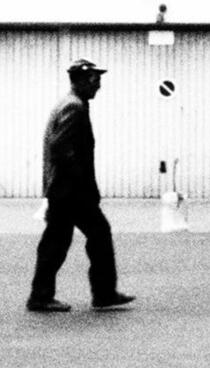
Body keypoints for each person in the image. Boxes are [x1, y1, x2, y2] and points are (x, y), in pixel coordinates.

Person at [26, 59, 135, 313]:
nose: (98, 86)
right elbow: (61, 149)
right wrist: (83, 185)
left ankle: (43, 295)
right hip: (71, 191)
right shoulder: (74, 108)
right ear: (83, 81)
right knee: (96, 234)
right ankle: (102, 293)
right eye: (95, 81)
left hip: (65, 189)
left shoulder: (71, 104)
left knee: (58, 242)